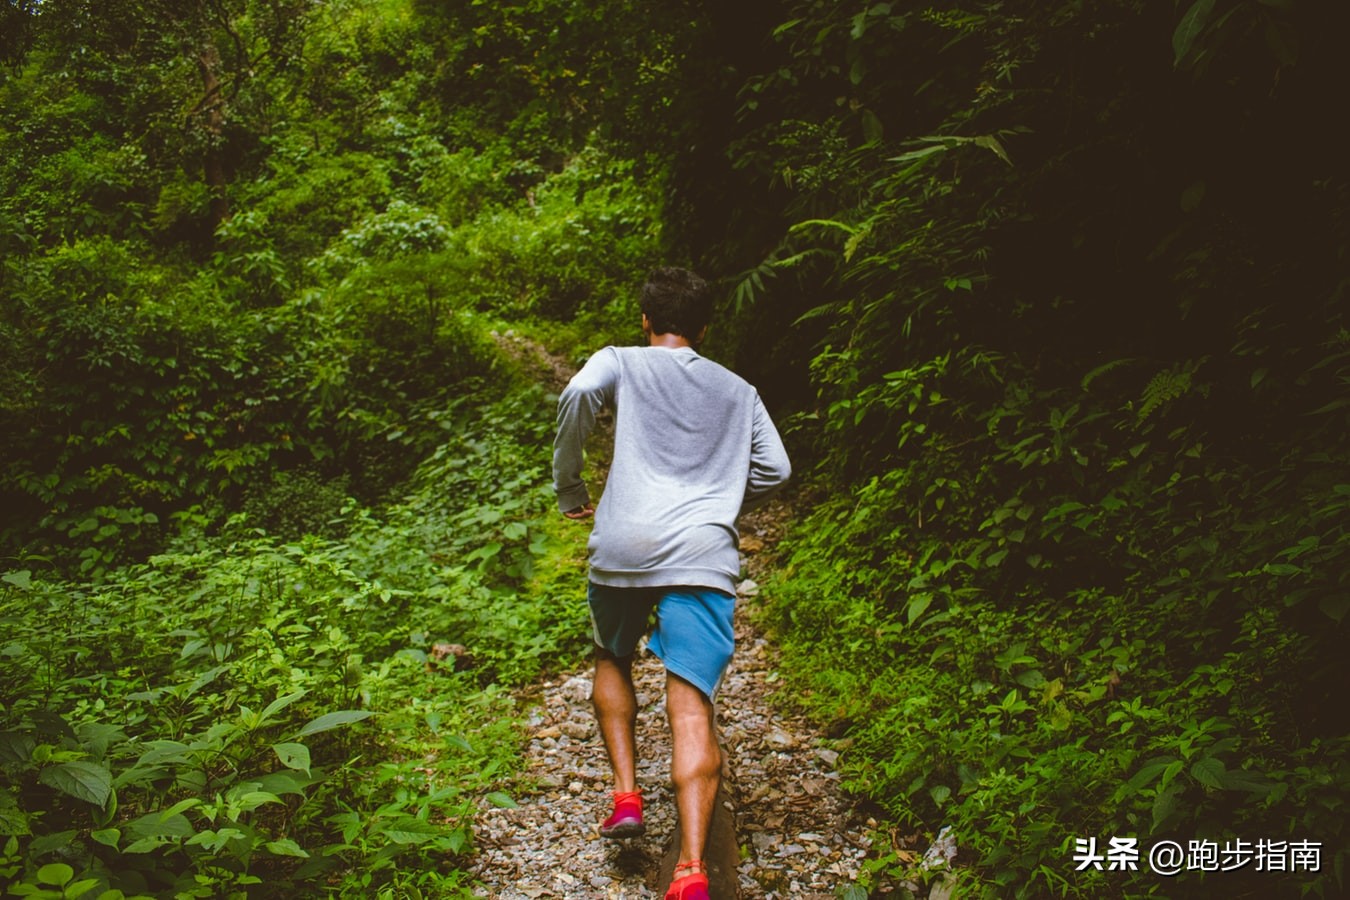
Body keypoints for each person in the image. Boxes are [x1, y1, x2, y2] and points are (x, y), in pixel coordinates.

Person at [552, 266, 791, 900]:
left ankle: (626, 796)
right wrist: (721, 502)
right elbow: (779, 469)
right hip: (703, 552)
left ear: (645, 319)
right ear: (706, 326)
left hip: (624, 544)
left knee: (612, 654)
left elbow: (578, 394)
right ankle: (689, 870)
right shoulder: (739, 390)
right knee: (690, 707)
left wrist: (570, 487)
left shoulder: (620, 361)